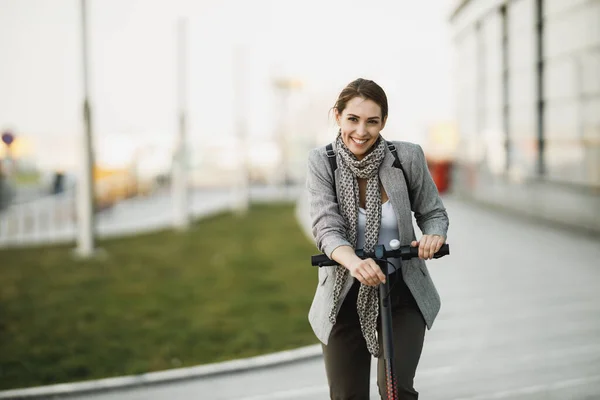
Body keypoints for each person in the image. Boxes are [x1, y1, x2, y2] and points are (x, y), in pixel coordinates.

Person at [306, 78, 449, 399]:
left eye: (372, 121)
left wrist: (434, 236)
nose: (361, 131)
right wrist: (355, 263)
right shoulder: (322, 162)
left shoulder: (406, 158)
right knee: (347, 394)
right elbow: (326, 228)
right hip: (343, 291)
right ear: (337, 116)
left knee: (396, 389)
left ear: (384, 121)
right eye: (353, 119)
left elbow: (433, 212)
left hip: (402, 286)